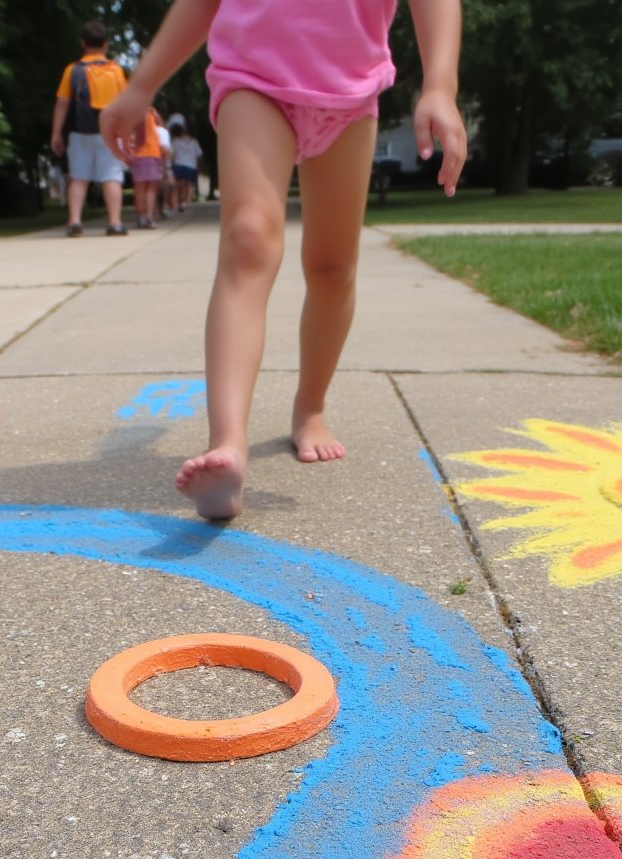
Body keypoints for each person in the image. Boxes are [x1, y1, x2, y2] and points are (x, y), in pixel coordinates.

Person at [100, 0, 466, 519]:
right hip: (253, 74)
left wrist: (441, 85)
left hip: (350, 87)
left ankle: (310, 408)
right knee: (248, 240)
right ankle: (228, 443)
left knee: (332, 267)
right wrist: (140, 87)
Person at [51, 19, 128, 237]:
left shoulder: (72, 70)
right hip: (110, 132)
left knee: (79, 177)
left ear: (83, 43)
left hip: (79, 131)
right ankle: (115, 223)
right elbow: (124, 102)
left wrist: (57, 132)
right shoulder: (116, 71)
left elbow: (62, 102)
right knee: (111, 177)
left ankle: (74, 222)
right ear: (106, 43)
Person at [129, 106, 164, 228]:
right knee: (151, 189)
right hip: (154, 153)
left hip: (139, 154)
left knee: (140, 188)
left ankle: (142, 216)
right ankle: (149, 217)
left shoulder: (133, 111)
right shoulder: (150, 111)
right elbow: (159, 125)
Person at [170, 122, 203, 209]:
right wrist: (199, 167)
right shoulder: (194, 142)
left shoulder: (176, 141)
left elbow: (172, 154)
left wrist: (171, 164)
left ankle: (179, 202)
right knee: (188, 185)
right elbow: (199, 155)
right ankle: (185, 202)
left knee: (178, 185)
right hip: (191, 166)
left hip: (179, 165)